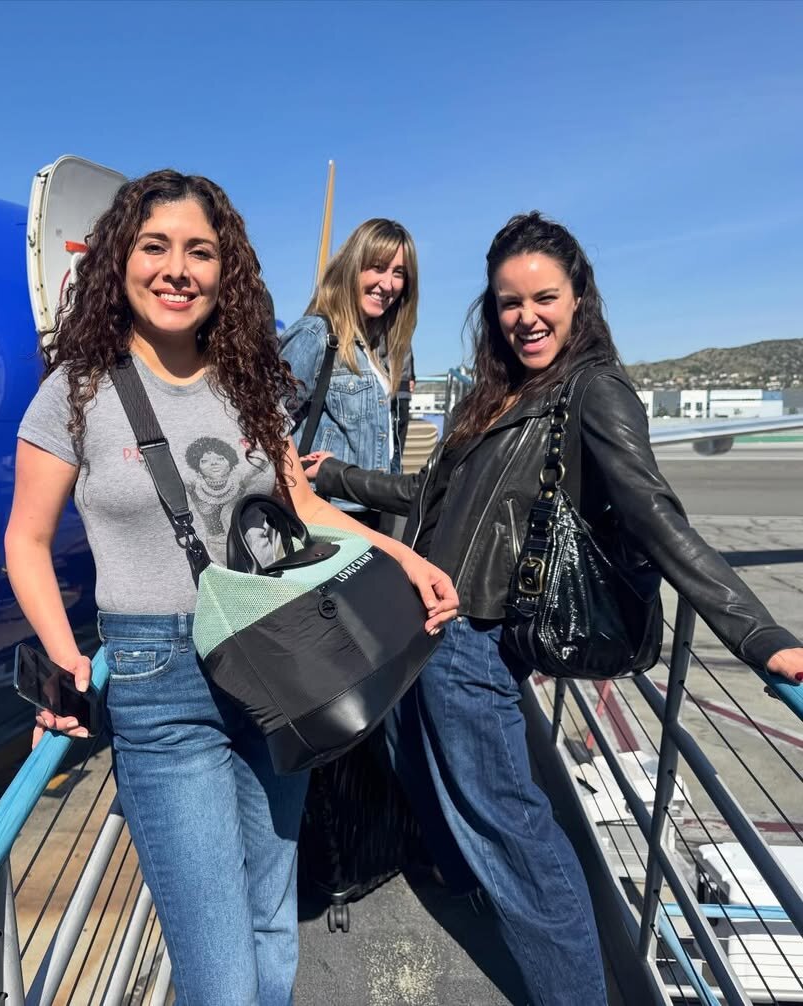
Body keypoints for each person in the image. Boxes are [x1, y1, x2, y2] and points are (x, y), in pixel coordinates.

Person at [303, 211, 803, 1006]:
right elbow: (428, 494)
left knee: (520, 845)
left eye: (544, 299)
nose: (526, 317)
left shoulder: (594, 389)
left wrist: (758, 634)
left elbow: (655, 515)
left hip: (476, 640)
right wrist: (333, 477)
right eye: (510, 302)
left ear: (578, 299)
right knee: (462, 805)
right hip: (431, 623)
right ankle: (460, 881)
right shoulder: (499, 392)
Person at [3, 170, 459, 1005]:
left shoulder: (247, 381)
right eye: (155, 247)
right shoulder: (76, 391)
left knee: (271, 928)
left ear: (227, 271)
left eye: (200, 252)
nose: (177, 270)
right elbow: (26, 541)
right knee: (219, 971)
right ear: (119, 260)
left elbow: (303, 505)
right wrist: (66, 662)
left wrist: (405, 559)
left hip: (273, 659)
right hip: (157, 683)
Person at [279, 218, 418, 522]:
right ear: (352, 267)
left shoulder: (384, 351)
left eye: (398, 273)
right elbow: (265, 423)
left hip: (375, 510)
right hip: (323, 514)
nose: (388, 284)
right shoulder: (316, 335)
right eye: (378, 267)